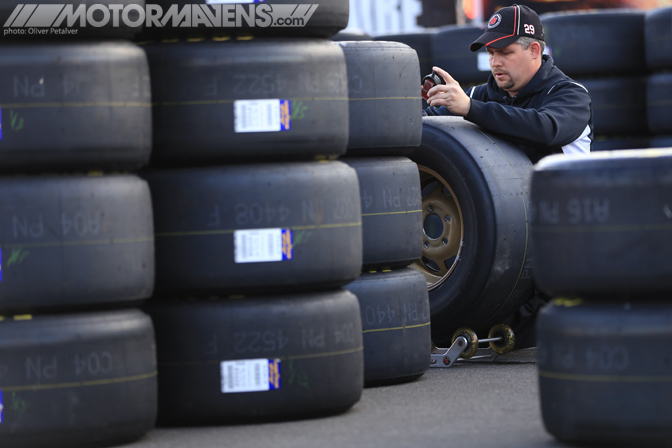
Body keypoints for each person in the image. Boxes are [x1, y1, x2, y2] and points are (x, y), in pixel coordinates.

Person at [423, 4, 593, 163]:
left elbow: (545, 130)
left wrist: (470, 108)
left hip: (562, 194)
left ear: (534, 50)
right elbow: (421, 124)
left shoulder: (571, 94)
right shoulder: (478, 95)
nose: (495, 62)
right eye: (490, 53)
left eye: (505, 52)